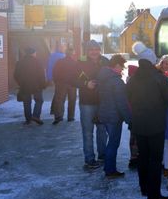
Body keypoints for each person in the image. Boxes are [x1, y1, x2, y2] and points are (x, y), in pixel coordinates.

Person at [126, 42, 168, 199]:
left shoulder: (132, 79)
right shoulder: (160, 79)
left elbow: (128, 97)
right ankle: (154, 195)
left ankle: (143, 188)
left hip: (139, 124)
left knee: (143, 157)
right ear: (152, 61)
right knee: (155, 160)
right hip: (156, 126)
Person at [75, 40, 109, 169]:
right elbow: (72, 79)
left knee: (102, 130)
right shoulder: (81, 61)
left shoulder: (105, 61)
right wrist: (85, 84)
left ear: (99, 49)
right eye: (91, 49)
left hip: (103, 101)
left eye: (96, 49)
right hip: (87, 102)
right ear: (87, 51)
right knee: (88, 132)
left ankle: (103, 155)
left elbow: (112, 76)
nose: (94, 52)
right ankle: (89, 159)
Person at [97, 54, 132, 179]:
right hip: (113, 116)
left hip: (104, 113)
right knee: (113, 143)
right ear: (116, 65)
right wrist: (129, 120)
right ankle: (110, 170)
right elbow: (121, 103)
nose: (122, 69)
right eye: (122, 67)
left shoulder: (103, 77)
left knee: (110, 142)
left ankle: (108, 167)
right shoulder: (116, 81)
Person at [14, 47, 46, 125]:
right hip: (37, 85)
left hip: (24, 85)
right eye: (35, 52)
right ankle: (36, 116)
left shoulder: (20, 62)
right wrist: (43, 84)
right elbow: (42, 74)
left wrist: (20, 83)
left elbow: (16, 75)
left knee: (26, 102)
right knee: (39, 100)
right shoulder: (38, 61)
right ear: (33, 53)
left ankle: (28, 119)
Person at [51, 47, 78, 124]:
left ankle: (59, 116)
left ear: (66, 54)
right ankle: (71, 117)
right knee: (72, 100)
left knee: (60, 100)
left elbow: (54, 72)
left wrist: (56, 81)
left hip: (61, 84)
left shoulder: (59, 61)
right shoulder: (75, 63)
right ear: (72, 54)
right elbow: (78, 74)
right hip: (72, 84)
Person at [46, 42, 65, 116]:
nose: (64, 48)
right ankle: (56, 110)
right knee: (59, 94)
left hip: (53, 77)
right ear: (60, 48)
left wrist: (49, 77)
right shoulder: (62, 56)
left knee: (57, 93)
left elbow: (49, 67)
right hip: (60, 78)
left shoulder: (52, 55)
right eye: (63, 47)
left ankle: (53, 109)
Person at [127, 64, 139, 170]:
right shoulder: (133, 85)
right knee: (136, 138)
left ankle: (133, 157)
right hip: (135, 115)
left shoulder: (128, 83)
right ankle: (135, 157)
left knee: (133, 138)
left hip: (131, 117)